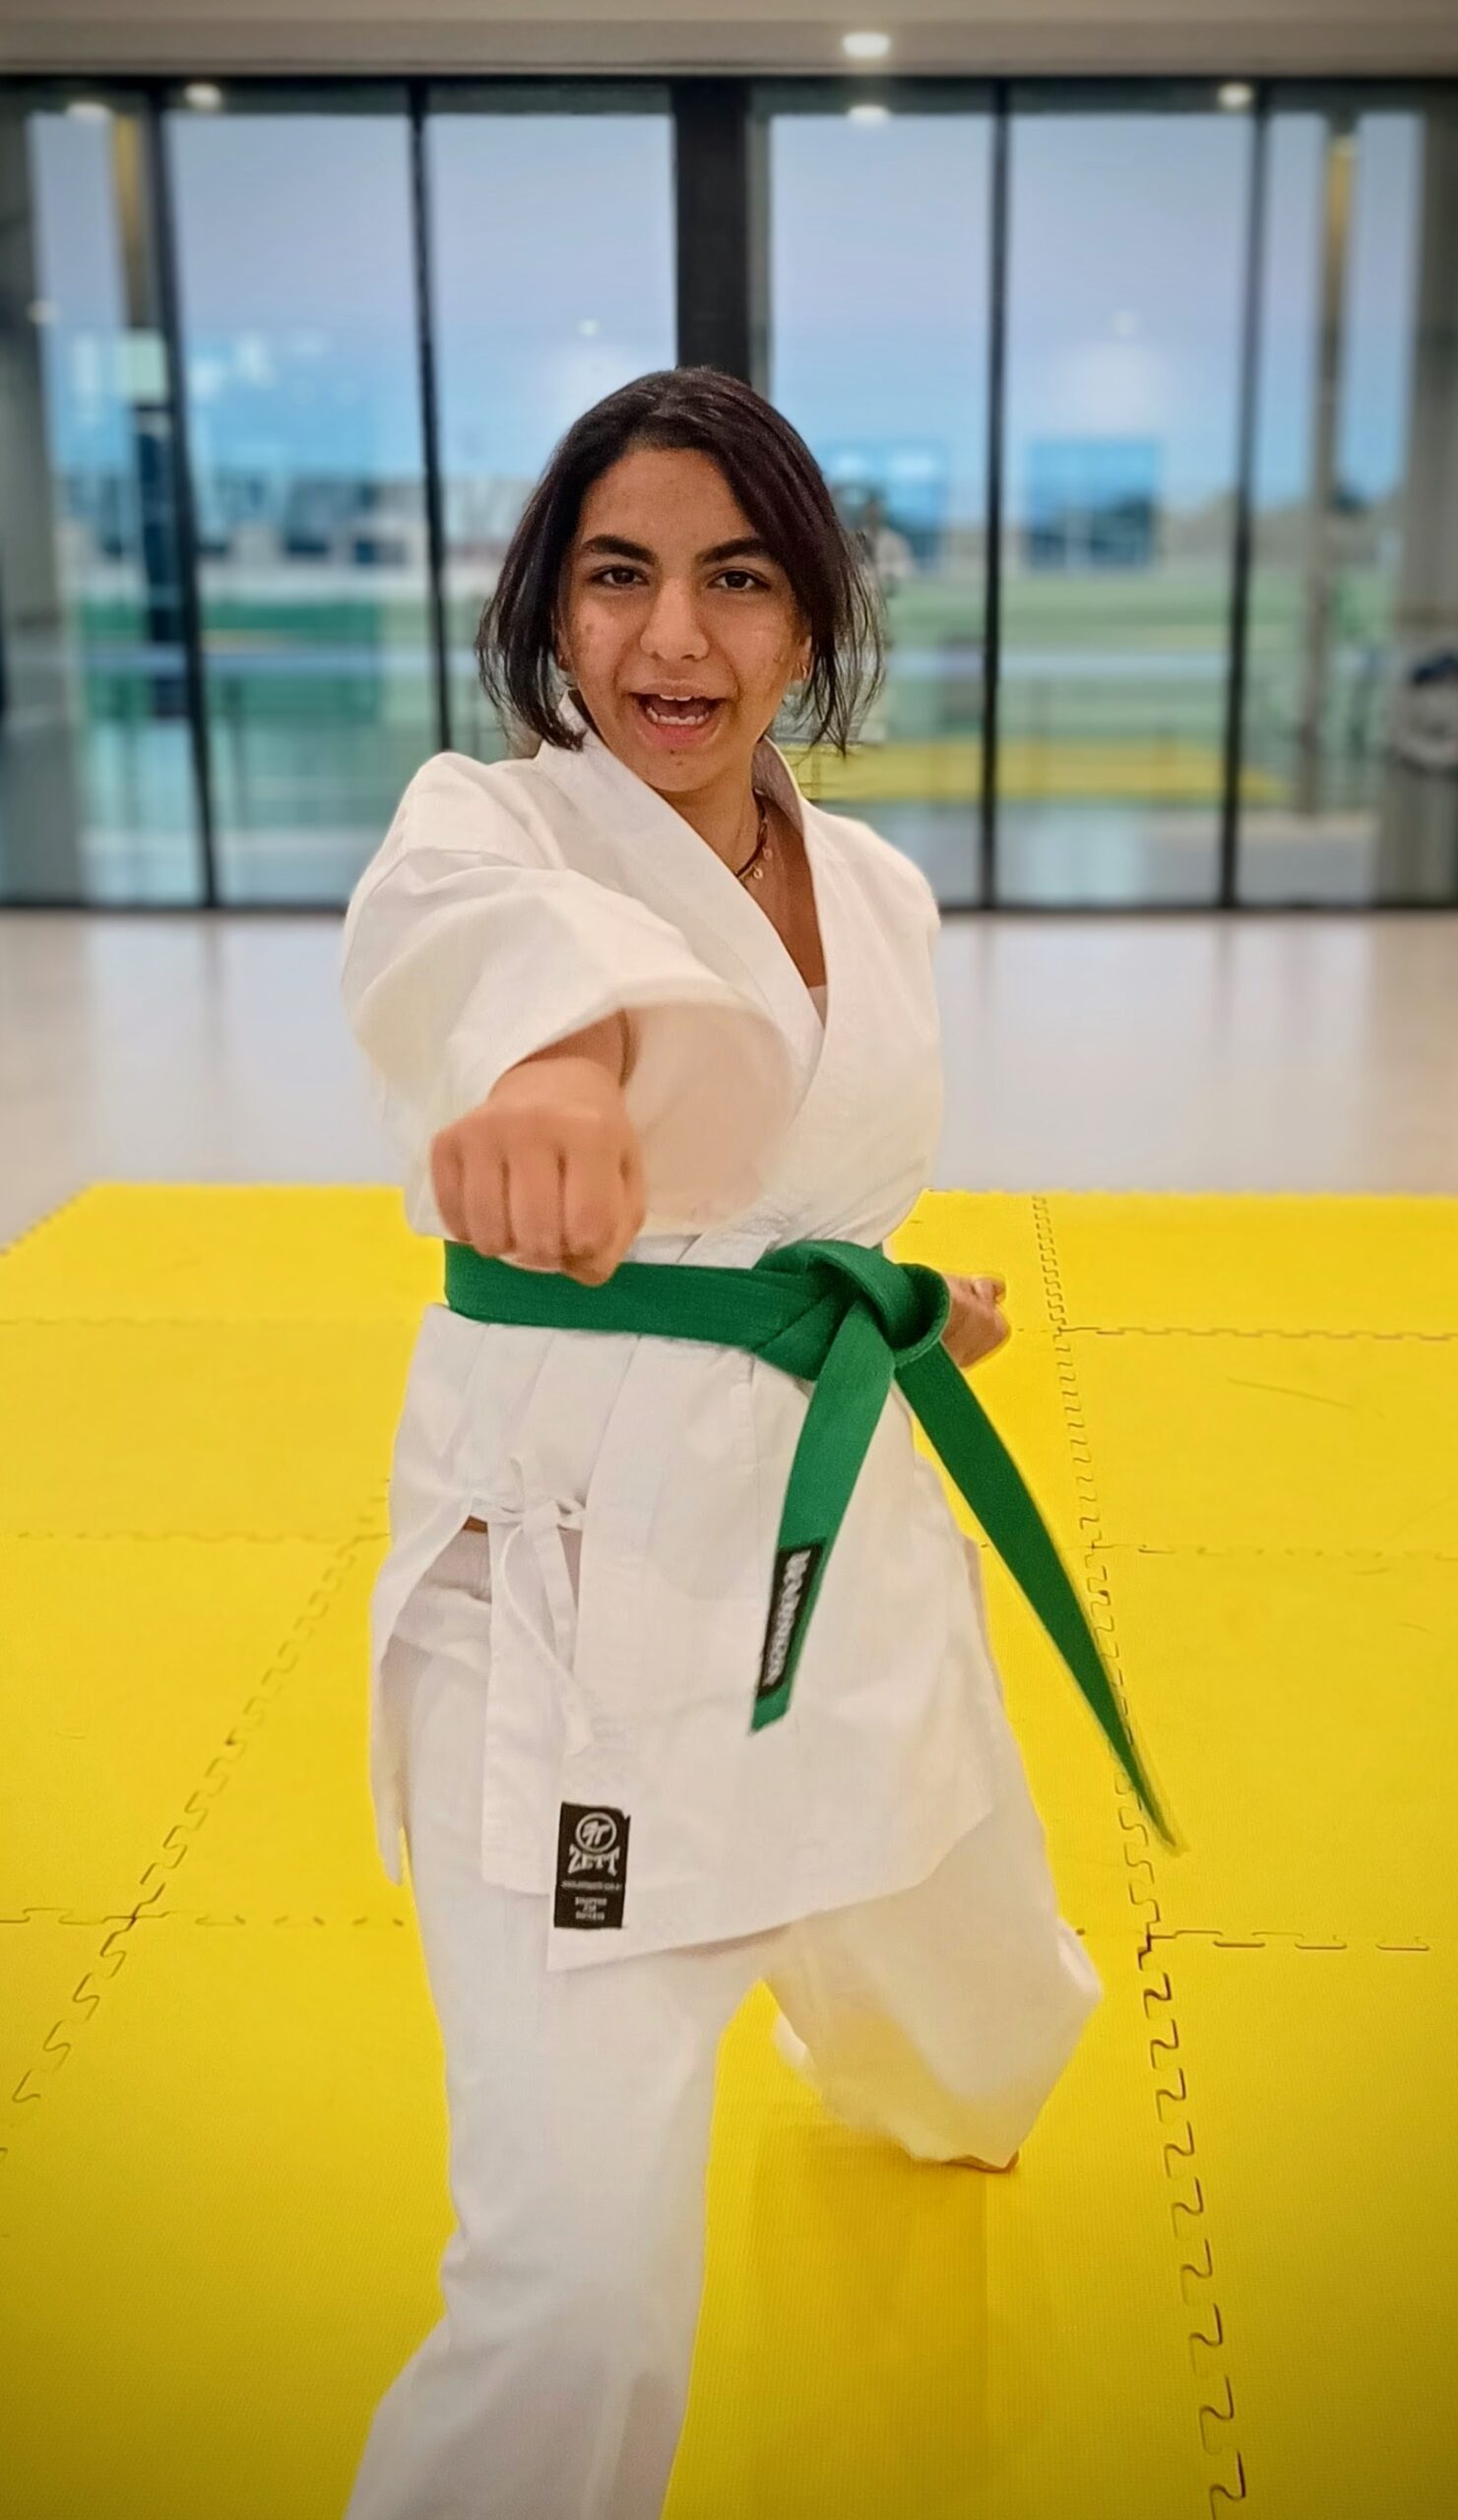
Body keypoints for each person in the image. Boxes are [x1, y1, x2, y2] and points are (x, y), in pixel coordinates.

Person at [339, 366, 1101, 2520]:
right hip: (582, 1617)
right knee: (573, 2304)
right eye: (616, 576)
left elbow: (803, 1196)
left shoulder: (872, 882)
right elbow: (515, 985)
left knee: (991, 2034)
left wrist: (897, 1294)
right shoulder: (482, 828)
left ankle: (903, 2047)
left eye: (734, 578)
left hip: (836, 1546)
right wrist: (562, 1094)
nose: (672, 641)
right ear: (552, 613)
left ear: (807, 619)